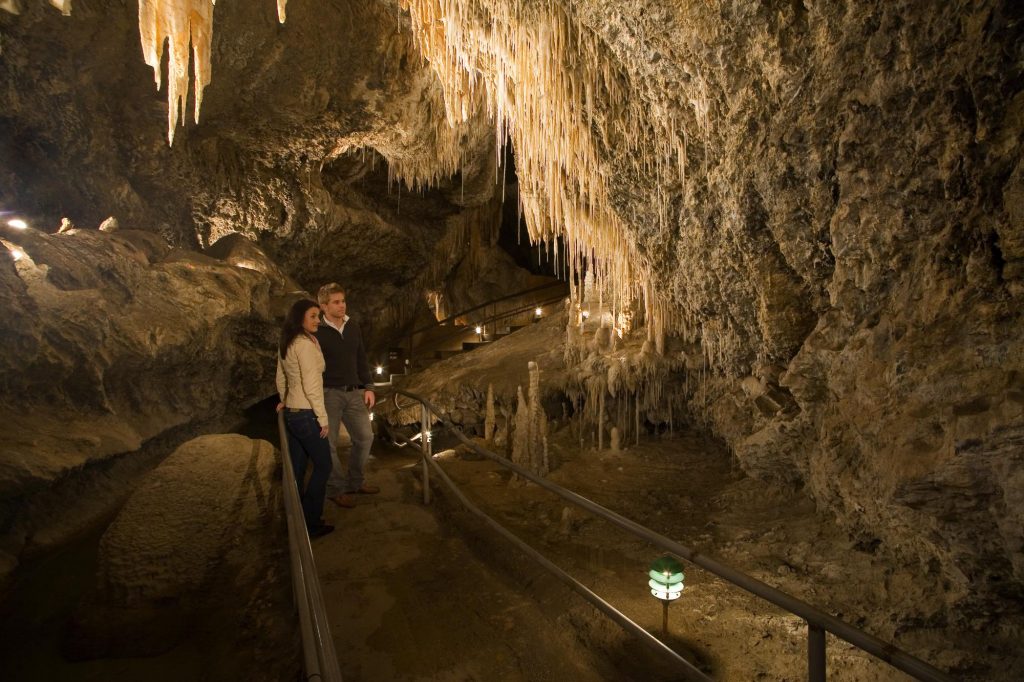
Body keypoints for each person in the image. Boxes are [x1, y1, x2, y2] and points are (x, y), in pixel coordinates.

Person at [315, 283, 378, 508]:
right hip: (328, 393)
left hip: (353, 392)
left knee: (365, 437)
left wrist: (368, 386)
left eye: (343, 301)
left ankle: (355, 482)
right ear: (324, 306)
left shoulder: (353, 326)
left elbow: (361, 357)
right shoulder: (316, 331)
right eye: (336, 302)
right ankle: (336, 488)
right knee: (329, 444)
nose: (342, 306)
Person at [276, 299, 334, 538]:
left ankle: (295, 519)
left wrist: (285, 399)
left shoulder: (287, 342)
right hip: (308, 414)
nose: (318, 320)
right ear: (300, 317)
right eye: (313, 316)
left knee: (298, 469)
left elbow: (281, 378)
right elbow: (312, 386)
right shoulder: (306, 345)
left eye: (318, 316)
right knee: (323, 465)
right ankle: (311, 522)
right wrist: (322, 418)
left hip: (293, 413)